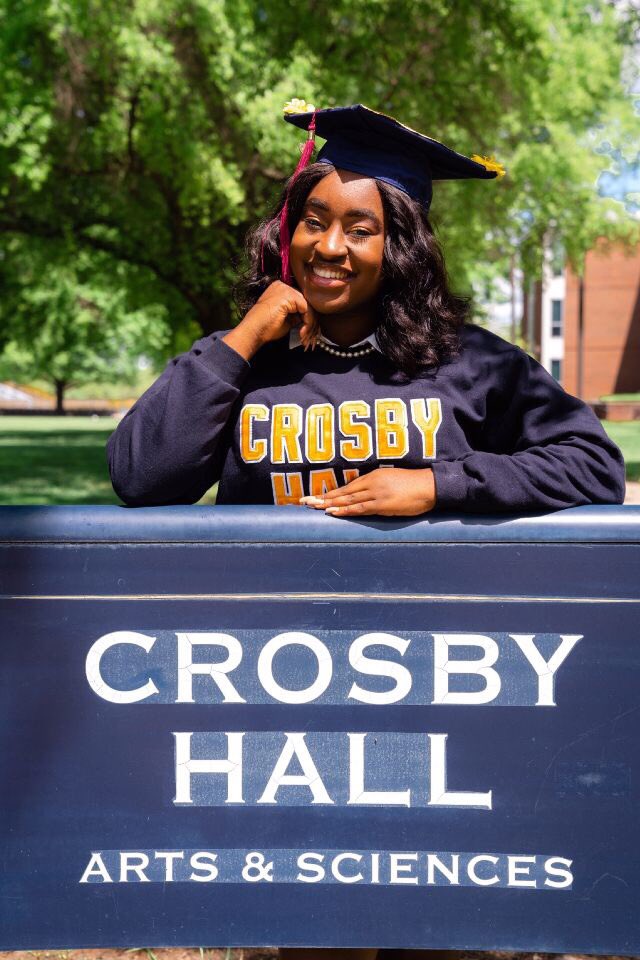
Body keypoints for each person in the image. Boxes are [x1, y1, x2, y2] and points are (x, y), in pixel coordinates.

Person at [106, 102, 625, 516]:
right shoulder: (240, 361)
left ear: (400, 249)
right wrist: (241, 339)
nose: (330, 247)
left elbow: (595, 467)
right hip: (260, 629)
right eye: (314, 221)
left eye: (360, 231)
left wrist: (438, 485)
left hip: (423, 631)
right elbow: (140, 479)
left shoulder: (466, 361)